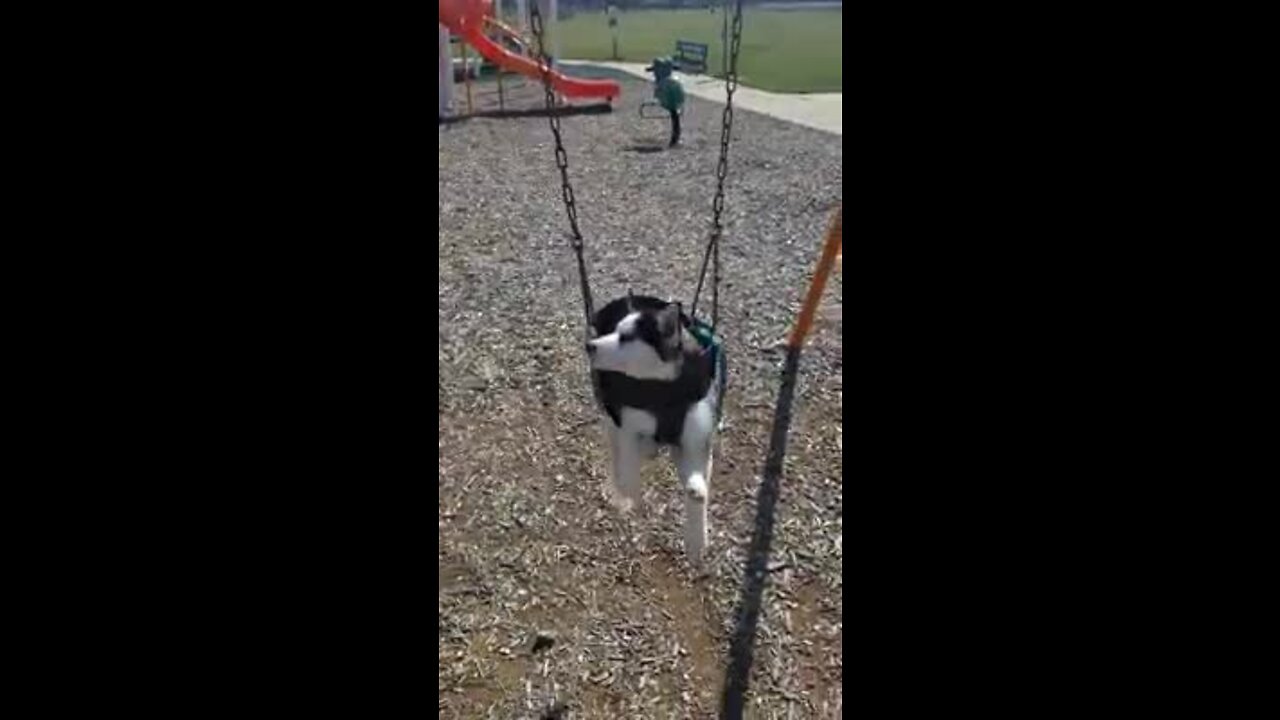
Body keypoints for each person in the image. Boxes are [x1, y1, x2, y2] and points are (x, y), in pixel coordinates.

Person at [645, 57, 686, 147]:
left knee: (674, 114)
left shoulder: (664, 81)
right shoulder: (670, 79)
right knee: (675, 115)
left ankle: (675, 139)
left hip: (671, 97)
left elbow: (659, 93)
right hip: (673, 96)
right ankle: (675, 138)